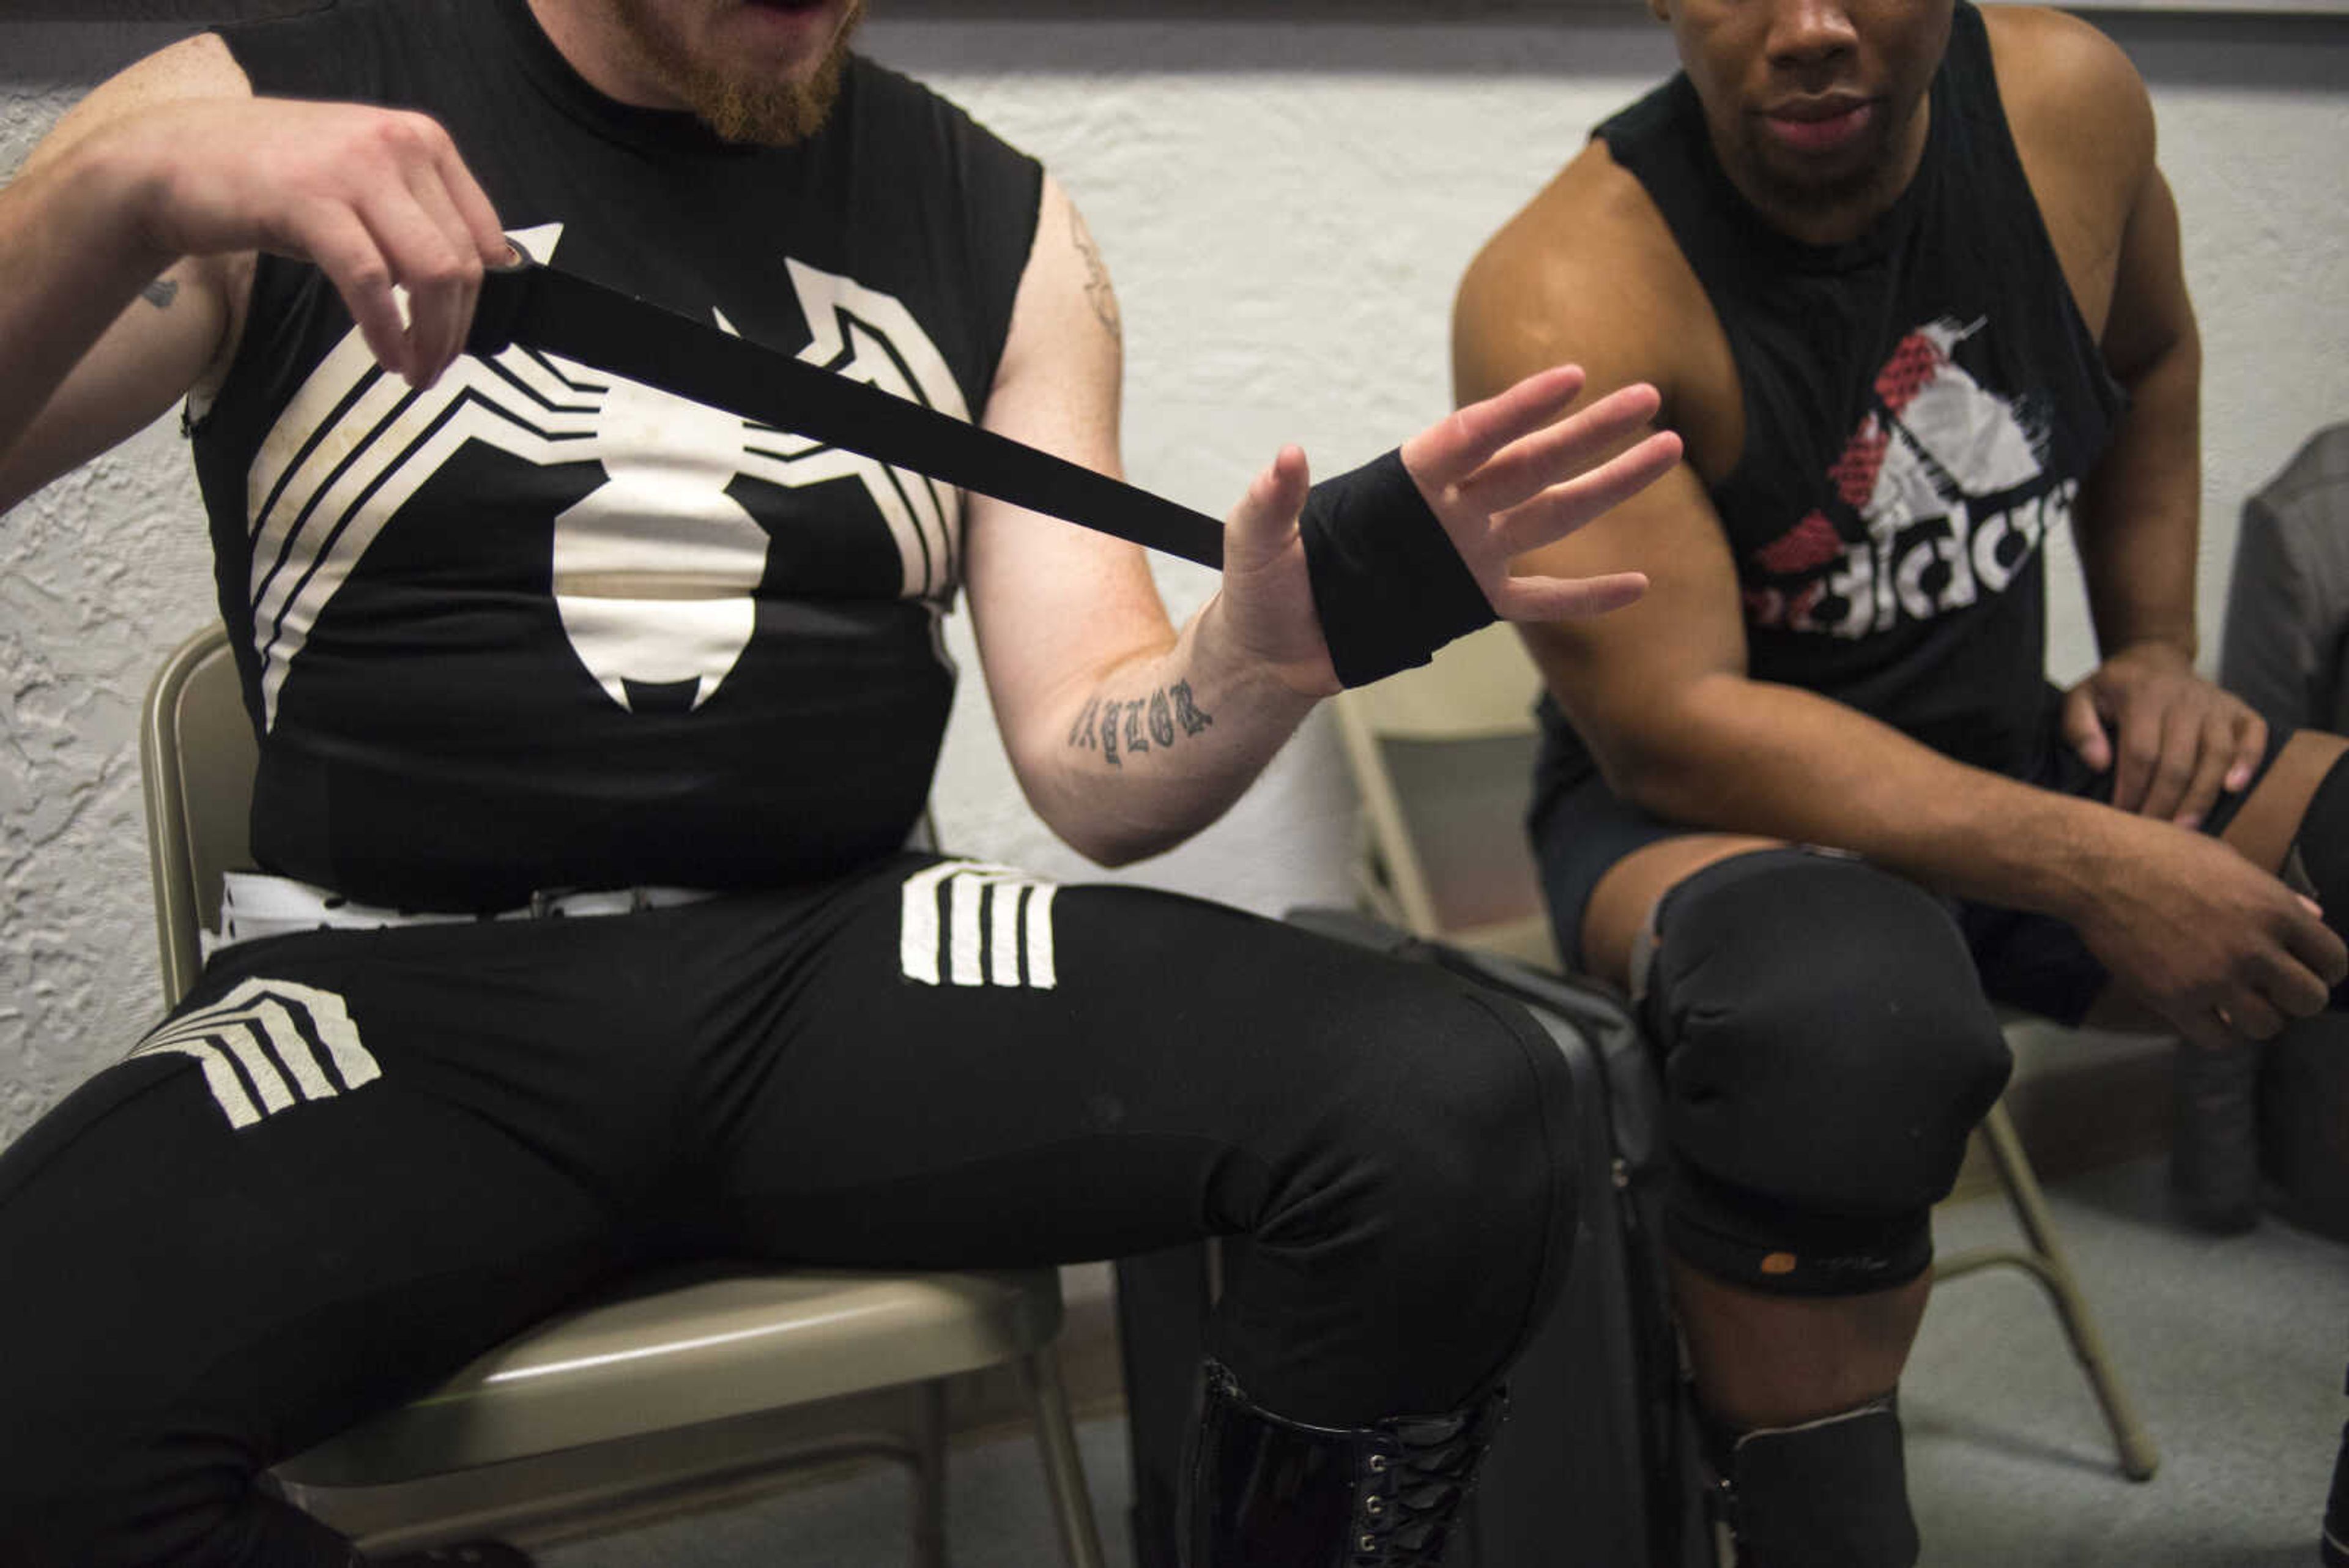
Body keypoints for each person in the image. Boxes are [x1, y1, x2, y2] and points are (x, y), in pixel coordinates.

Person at [0, 1, 1686, 1564]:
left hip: (836, 964)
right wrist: (128, 186)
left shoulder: (995, 217)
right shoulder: (260, 103)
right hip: (395, 992)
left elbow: (1089, 759)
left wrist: (1252, 662)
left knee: (1456, 1105)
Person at [1455, 0, 2349, 1561]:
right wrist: (2090, 863)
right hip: (1703, 828)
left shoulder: (2070, 107)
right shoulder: (1568, 290)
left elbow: (2147, 353)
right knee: (1845, 1023)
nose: (1811, 26)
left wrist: (2149, 647)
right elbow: (1676, 725)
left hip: (2010, 758)